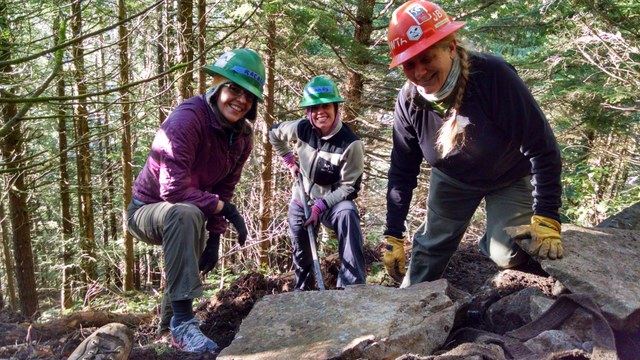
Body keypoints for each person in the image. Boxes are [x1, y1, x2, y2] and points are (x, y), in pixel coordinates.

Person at [382, 0, 564, 286]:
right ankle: (406, 308)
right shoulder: (409, 101)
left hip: (509, 175)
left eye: (427, 58)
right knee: (429, 249)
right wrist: (393, 233)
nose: (419, 72)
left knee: (506, 253)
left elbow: (541, 146)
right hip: (453, 179)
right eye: (409, 64)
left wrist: (547, 215)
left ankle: (495, 237)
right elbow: (402, 172)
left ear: (450, 47)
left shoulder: (492, 76)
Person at [126, 48, 265, 353]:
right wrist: (225, 211)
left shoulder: (242, 136)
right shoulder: (187, 120)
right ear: (217, 87)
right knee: (187, 214)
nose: (240, 100)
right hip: (146, 210)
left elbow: (224, 188)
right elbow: (172, 190)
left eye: (249, 95)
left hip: (183, 209)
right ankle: (184, 323)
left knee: (190, 219)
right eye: (234, 89)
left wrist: (215, 236)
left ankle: (168, 333)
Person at [269, 76, 367, 290]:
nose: (321, 111)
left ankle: (352, 286)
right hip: (302, 198)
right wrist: (289, 160)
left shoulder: (350, 144)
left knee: (347, 213)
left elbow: (349, 187)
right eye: (315, 107)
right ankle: (304, 290)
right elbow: (273, 133)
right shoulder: (302, 129)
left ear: (336, 108)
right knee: (302, 252)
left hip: (331, 204)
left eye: (326, 106)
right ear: (308, 112)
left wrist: (321, 205)